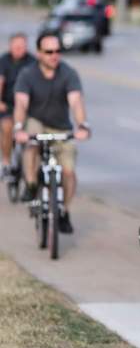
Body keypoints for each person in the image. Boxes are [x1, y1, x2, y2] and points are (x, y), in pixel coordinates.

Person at [13, 30, 90, 233]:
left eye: (57, 51)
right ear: (39, 53)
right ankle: (30, 185)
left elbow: (76, 101)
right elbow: (21, 103)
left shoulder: (68, 73)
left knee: (69, 171)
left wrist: (82, 125)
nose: (54, 55)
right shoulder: (28, 74)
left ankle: (64, 211)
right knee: (31, 143)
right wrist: (19, 127)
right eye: (48, 51)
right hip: (37, 122)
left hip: (61, 127)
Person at [0, 33, 36, 175]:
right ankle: (6, 162)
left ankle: (32, 167)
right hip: (9, 105)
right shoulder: (4, 60)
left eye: (22, 46)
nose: (19, 49)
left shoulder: (32, 62)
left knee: (34, 132)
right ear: (11, 46)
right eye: (16, 46)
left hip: (29, 106)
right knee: (7, 127)